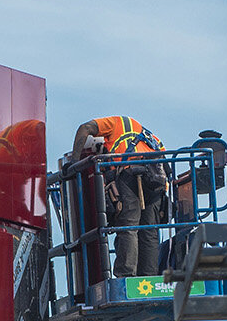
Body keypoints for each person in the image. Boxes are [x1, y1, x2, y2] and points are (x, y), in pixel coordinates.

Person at [71, 116, 168, 277]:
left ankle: (126, 276)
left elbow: (85, 128)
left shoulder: (117, 122)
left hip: (131, 172)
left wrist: (73, 162)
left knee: (128, 226)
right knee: (149, 230)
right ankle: (149, 278)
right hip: (157, 179)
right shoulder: (151, 138)